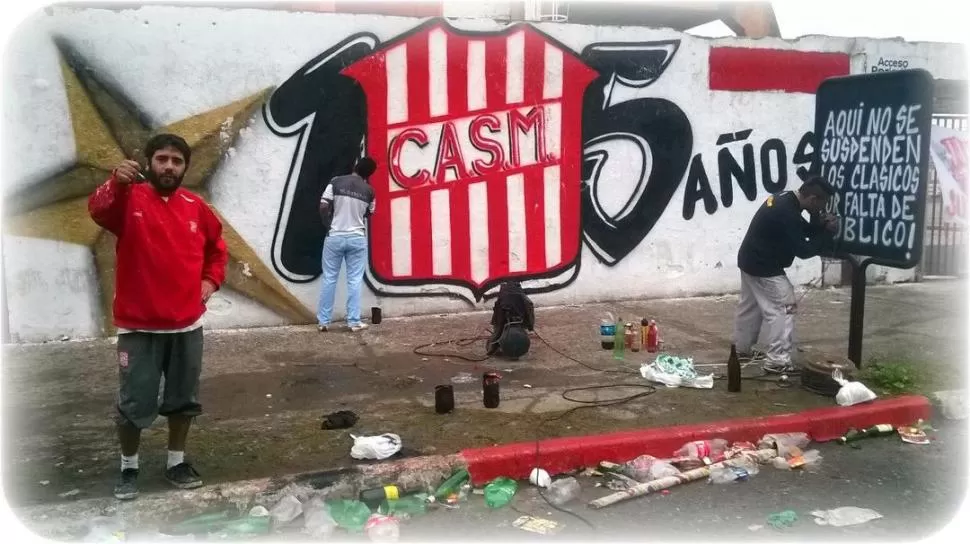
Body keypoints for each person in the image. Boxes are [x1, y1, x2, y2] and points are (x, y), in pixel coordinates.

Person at [88, 133, 228, 500]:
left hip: (187, 325)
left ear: (185, 167)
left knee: (184, 400)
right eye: (162, 159)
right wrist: (115, 182)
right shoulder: (127, 199)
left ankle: (176, 462)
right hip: (139, 327)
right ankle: (128, 467)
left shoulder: (196, 206)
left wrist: (211, 282)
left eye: (177, 161)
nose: (169, 166)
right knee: (134, 403)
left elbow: (217, 250)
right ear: (149, 163)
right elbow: (98, 210)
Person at [733, 176, 838, 374]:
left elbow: (798, 228)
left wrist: (819, 227)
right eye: (822, 205)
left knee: (751, 306)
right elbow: (804, 250)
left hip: (749, 259)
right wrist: (827, 234)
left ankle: (742, 350)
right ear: (813, 199)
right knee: (784, 307)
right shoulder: (786, 211)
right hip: (764, 266)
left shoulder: (785, 199)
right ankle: (778, 361)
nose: (822, 210)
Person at [317, 157, 377, 332]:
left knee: (329, 278)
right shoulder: (370, 191)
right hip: (357, 238)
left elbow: (323, 205)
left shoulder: (336, 182)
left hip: (335, 236)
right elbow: (370, 213)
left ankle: (324, 322)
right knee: (354, 280)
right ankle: (353, 322)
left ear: (355, 166)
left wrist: (329, 225)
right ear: (369, 174)